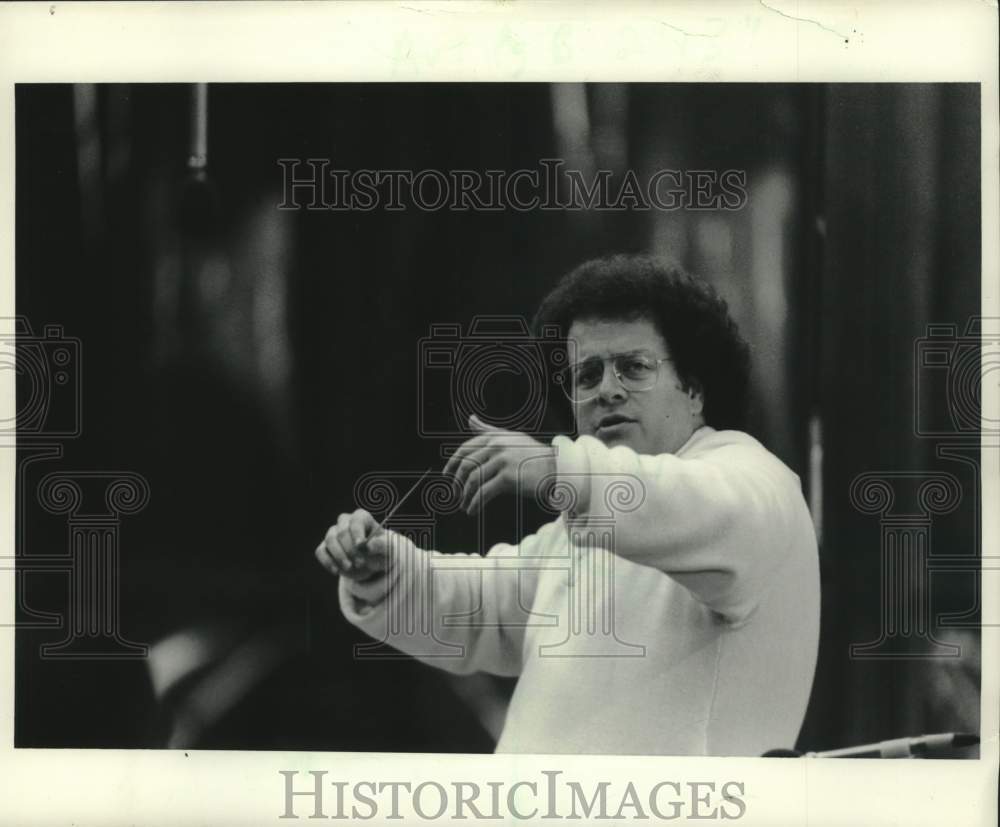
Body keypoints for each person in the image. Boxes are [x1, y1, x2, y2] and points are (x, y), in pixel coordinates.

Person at [315, 253, 820, 756]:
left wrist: (560, 471)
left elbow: (696, 507)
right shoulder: (583, 525)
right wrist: (386, 572)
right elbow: (481, 609)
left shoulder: (755, 481)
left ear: (694, 388)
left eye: (633, 367)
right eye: (587, 375)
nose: (607, 390)